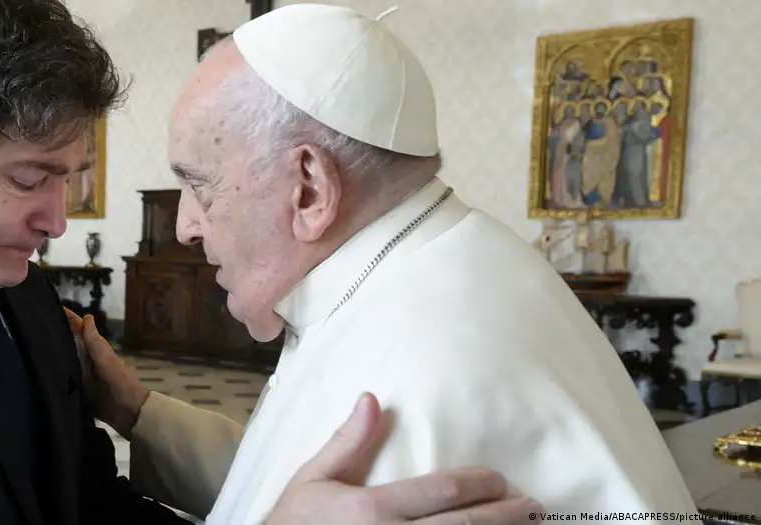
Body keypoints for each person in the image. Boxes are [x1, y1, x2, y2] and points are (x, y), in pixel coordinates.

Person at [0, 1, 533, 524]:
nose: (57, 219)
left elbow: (89, 503)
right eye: (31, 178)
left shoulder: (17, 290)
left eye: (71, 179)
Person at [76, 4, 700, 525]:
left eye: (200, 186)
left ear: (309, 190)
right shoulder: (439, 264)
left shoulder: (426, 369)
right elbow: (292, 484)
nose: (185, 224)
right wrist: (138, 411)